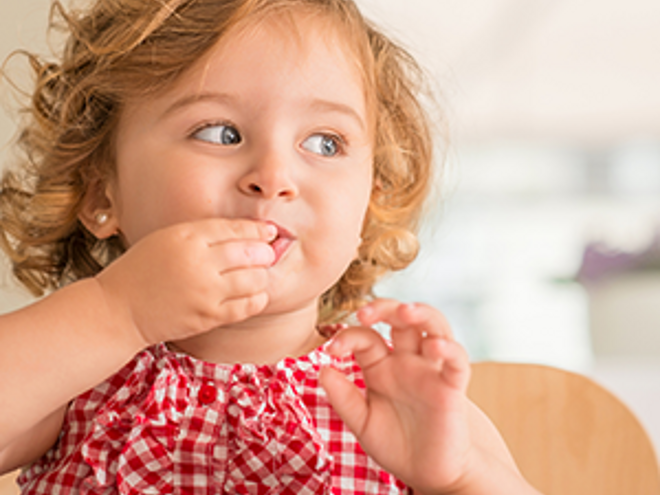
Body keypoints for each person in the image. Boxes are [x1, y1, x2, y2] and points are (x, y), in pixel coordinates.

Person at [0, 0, 542, 493]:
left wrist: (457, 476)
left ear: (369, 202)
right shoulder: (75, 374)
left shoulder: (402, 406)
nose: (274, 177)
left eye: (324, 143)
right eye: (219, 132)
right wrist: (118, 312)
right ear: (102, 191)